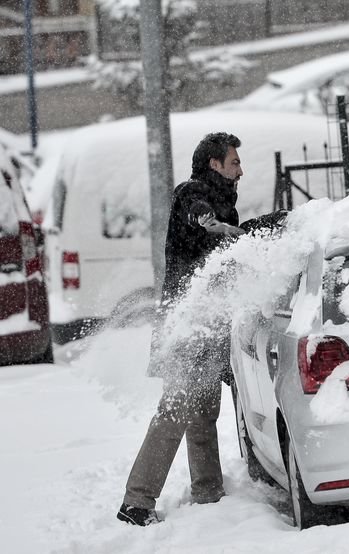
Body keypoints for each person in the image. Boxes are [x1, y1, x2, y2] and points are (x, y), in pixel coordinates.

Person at [117, 132, 245, 526]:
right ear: (215, 165)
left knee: (204, 411)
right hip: (186, 324)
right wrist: (213, 225)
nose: (241, 170)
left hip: (208, 323)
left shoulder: (228, 206)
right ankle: (136, 502)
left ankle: (209, 491)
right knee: (175, 410)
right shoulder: (192, 194)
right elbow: (196, 211)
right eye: (235, 162)